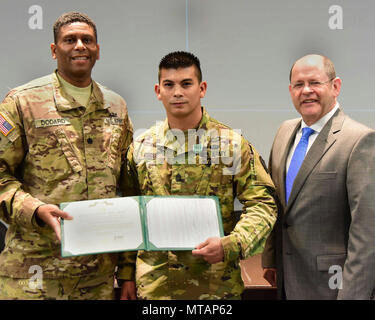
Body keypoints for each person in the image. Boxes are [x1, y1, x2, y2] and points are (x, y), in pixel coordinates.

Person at [121, 51, 277, 300]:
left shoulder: (230, 145)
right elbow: (129, 211)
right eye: (169, 85)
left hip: (215, 288)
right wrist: (126, 273)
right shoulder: (141, 147)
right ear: (158, 91)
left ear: (202, 88)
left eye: (186, 84)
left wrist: (232, 244)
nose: (177, 92)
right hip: (156, 288)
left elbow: (263, 204)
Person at [0, 12, 134, 299]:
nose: (80, 46)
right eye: (69, 40)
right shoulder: (22, 102)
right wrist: (34, 210)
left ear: (98, 50)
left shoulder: (116, 107)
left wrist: (126, 272)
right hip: (34, 273)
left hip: (95, 278)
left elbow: (129, 190)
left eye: (87, 40)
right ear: (54, 50)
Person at [261, 54, 375, 300]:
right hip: (286, 279)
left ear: (335, 87)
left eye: (315, 82)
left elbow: (367, 233)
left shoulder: (359, 141)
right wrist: (270, 258)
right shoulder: (284, 132)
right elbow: (276, 204)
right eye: (299, 85)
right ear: (290, 90)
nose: (306, 91)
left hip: (332, 287)